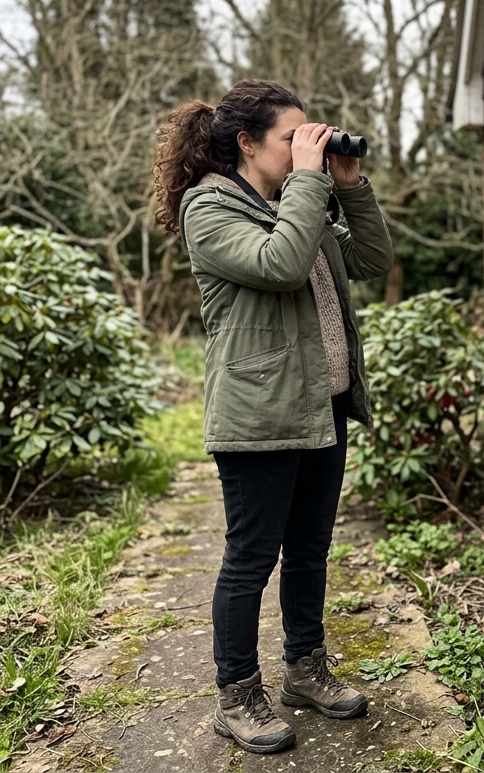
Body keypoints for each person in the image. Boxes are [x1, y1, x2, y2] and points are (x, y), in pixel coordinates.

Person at [152, 79, 393, 754]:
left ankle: (305, 670)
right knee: (250, 559)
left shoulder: (302, 201)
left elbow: (372, 260)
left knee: (310, 550)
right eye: (292, 136)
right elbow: (282, 265)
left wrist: (346, 183)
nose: (305, 145)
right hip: (258, 416)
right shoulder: (211, 208)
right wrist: (313, 187)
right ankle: (237, 695)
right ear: (247, 144)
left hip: (324, 406)